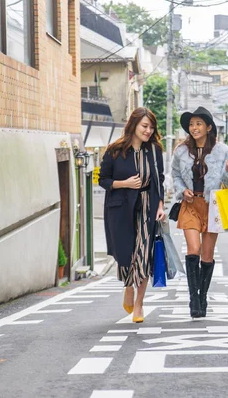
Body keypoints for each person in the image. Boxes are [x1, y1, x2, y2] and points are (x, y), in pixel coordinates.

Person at [99, 107, 166, 323]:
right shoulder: (115, 150)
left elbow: (159, 178)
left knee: (145, 253)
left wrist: (161, 205)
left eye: (151, 127)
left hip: (148, 204)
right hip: (122, 206)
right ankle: (128, 286)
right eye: (145, 126)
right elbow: (104, 180)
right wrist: (124, 184)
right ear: (134, 125)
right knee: (127, 252)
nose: (148, 131)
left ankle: (139, 304)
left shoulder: (154, 150)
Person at [172, 106, 228, 318]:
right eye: (191, 124)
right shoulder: (181, 151)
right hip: (191, 204)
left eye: (199, 123)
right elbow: (175, 176)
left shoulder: (222, 150)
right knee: (194, 249)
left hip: (213, 206)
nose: (194, 128)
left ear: (208, 127)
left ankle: (203, 296)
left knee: (207, 255)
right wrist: (182, 190)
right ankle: (194, 298)